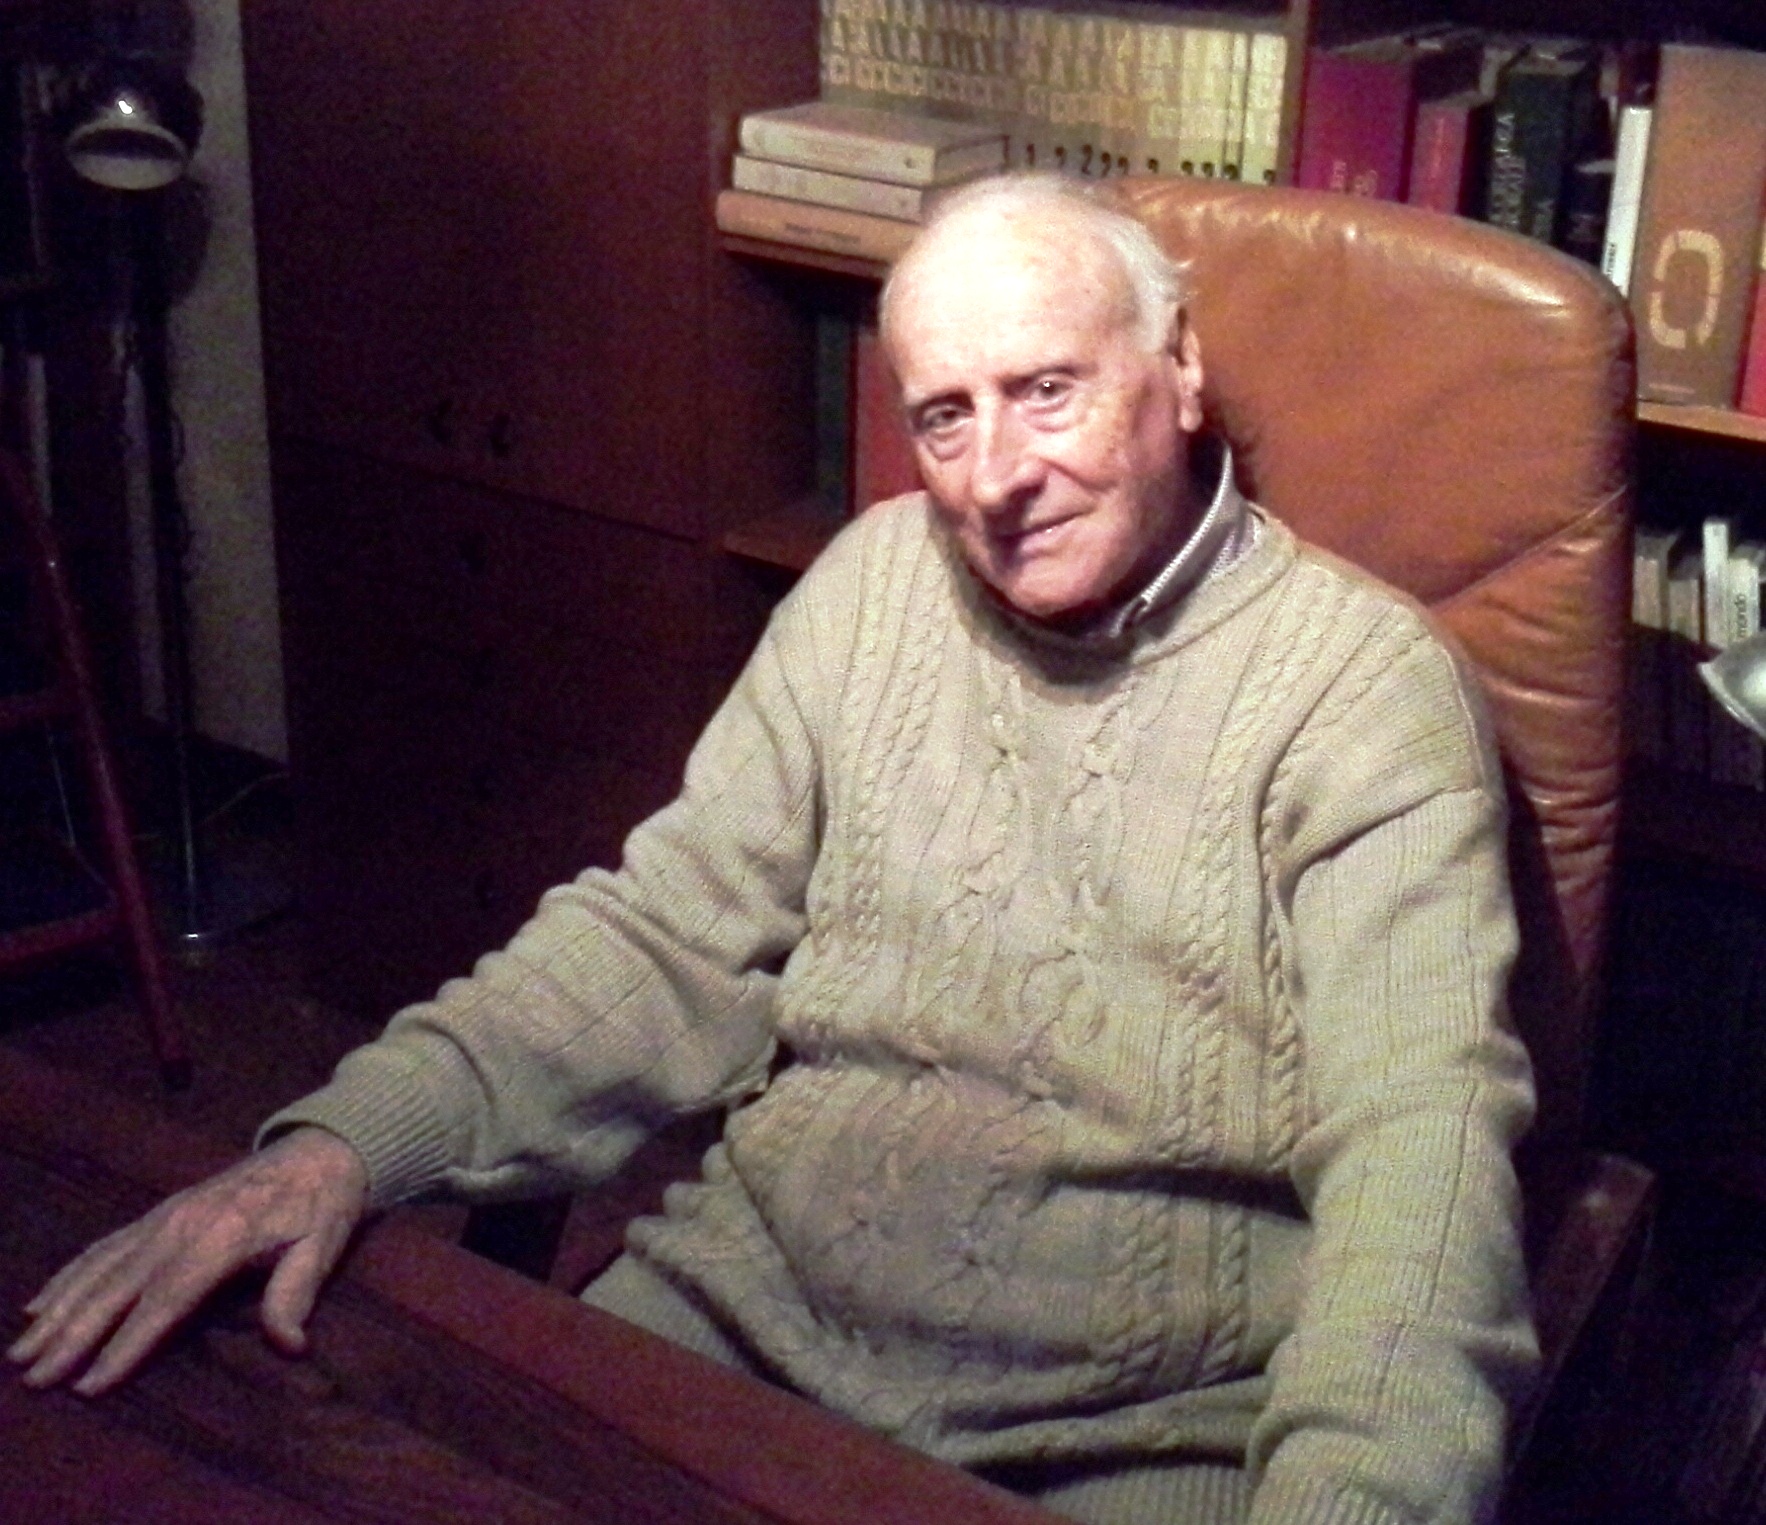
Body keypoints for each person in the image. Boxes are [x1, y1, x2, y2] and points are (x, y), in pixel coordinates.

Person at [9, 173, 1538, 1525]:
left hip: (1136, 1429)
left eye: (1047, 390)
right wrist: (345, 1141)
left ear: (1181, 369)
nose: (995, 475)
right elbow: (660, 939)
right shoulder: (871, 585)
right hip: (742, 1327)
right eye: (945, 415)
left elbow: (1419, 1154)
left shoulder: (1358, 690)